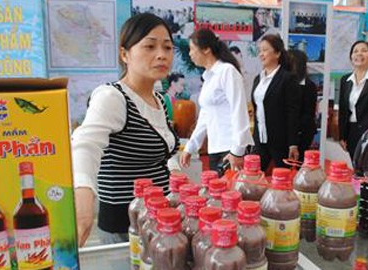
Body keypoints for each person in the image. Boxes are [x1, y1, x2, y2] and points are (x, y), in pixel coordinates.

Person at [72, 13, 179, 247]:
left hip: (160, 219)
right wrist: (83, 197)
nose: (161, 54)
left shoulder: (159, 100)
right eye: (149, 46)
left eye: (168, 47)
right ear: (124, 54)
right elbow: (85, 143)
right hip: (124, 227)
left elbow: (165, 152)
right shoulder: (113, 96)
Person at [180, 28, 253, 175]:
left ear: (206, 49)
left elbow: (239, 110)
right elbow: (205, 116)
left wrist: (237, 151)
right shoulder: (209, 76)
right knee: (217, 194)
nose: (190, 54)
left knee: (231, 194)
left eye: (192, 49)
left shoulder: (227, 71)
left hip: (230, 148)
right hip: (215, 147)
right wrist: (191, 146)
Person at [251, 34, 302, 171]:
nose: (261, 54)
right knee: (253, 179)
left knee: (284, 180)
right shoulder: (258, 79)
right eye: (260, 50)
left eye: (265, 50)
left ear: (278, 53)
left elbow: (293, 113)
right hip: (260, 138)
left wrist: (293, 144)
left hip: (280, 140)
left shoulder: (288, 78)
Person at [289, 50, 317, 161]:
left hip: (303, 132)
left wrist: (294, 131)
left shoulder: (310, 86)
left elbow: (308, 114)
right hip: (287, 132)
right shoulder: (285, 82)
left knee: (299, 163)